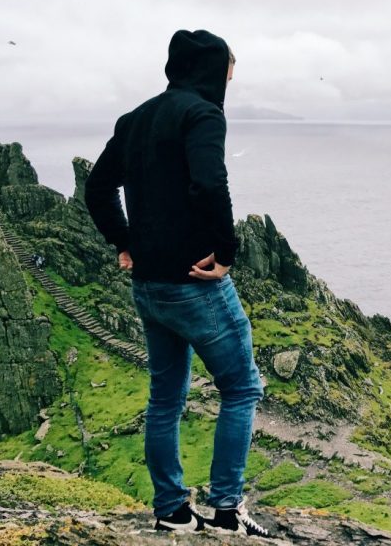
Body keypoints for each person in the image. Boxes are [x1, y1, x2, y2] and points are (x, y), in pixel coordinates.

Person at [84, 29, 269, 537]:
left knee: (165, 398)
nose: (234, 74)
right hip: (196, 283)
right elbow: (210, 181)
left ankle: (171, 510)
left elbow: (98, 186)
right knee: (241, 388)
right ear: (212, 67)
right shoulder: (203, 114)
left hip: (148, 286)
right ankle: (227, 511)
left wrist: (123, 241)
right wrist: (226, 254)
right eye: (232, 64)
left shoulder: (136, 118)